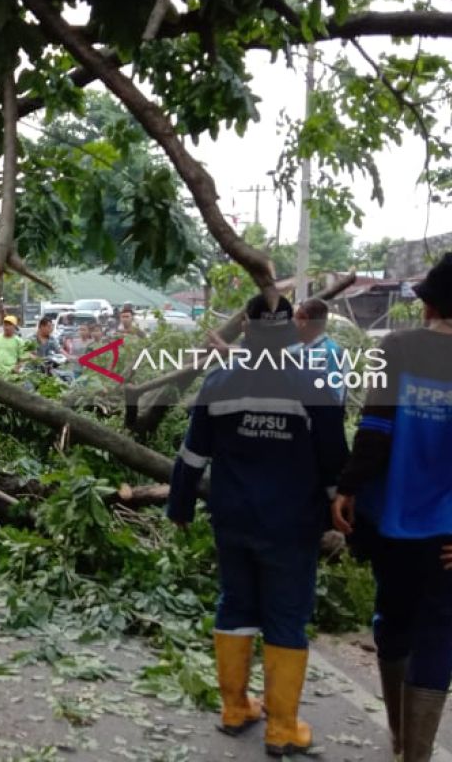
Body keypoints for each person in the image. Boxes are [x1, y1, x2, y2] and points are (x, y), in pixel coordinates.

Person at [167, 294, 348, 756]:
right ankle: (282, 727)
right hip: (290, 526)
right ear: (290, 333)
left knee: (236, 606)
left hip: (233, 519)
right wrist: (343, 513)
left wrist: (181, 506)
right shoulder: (315, 385)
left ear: (246, 330)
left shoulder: (220, 382)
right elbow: (334, 464)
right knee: (286, 617)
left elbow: (191, 455)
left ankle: (234, 709)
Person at [332, 252, 452, 762]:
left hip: (393, 522)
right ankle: (416, 755)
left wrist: (347, 488)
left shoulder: (396, 348)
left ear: (428, 306)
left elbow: (375, 431)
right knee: (440, 630)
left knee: (393, 619)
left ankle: (401, 736)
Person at [291, 298, 347, 404]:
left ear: (303, 321)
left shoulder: (332, 354)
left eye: (293, 319)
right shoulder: (293, 350)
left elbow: (334, 398)